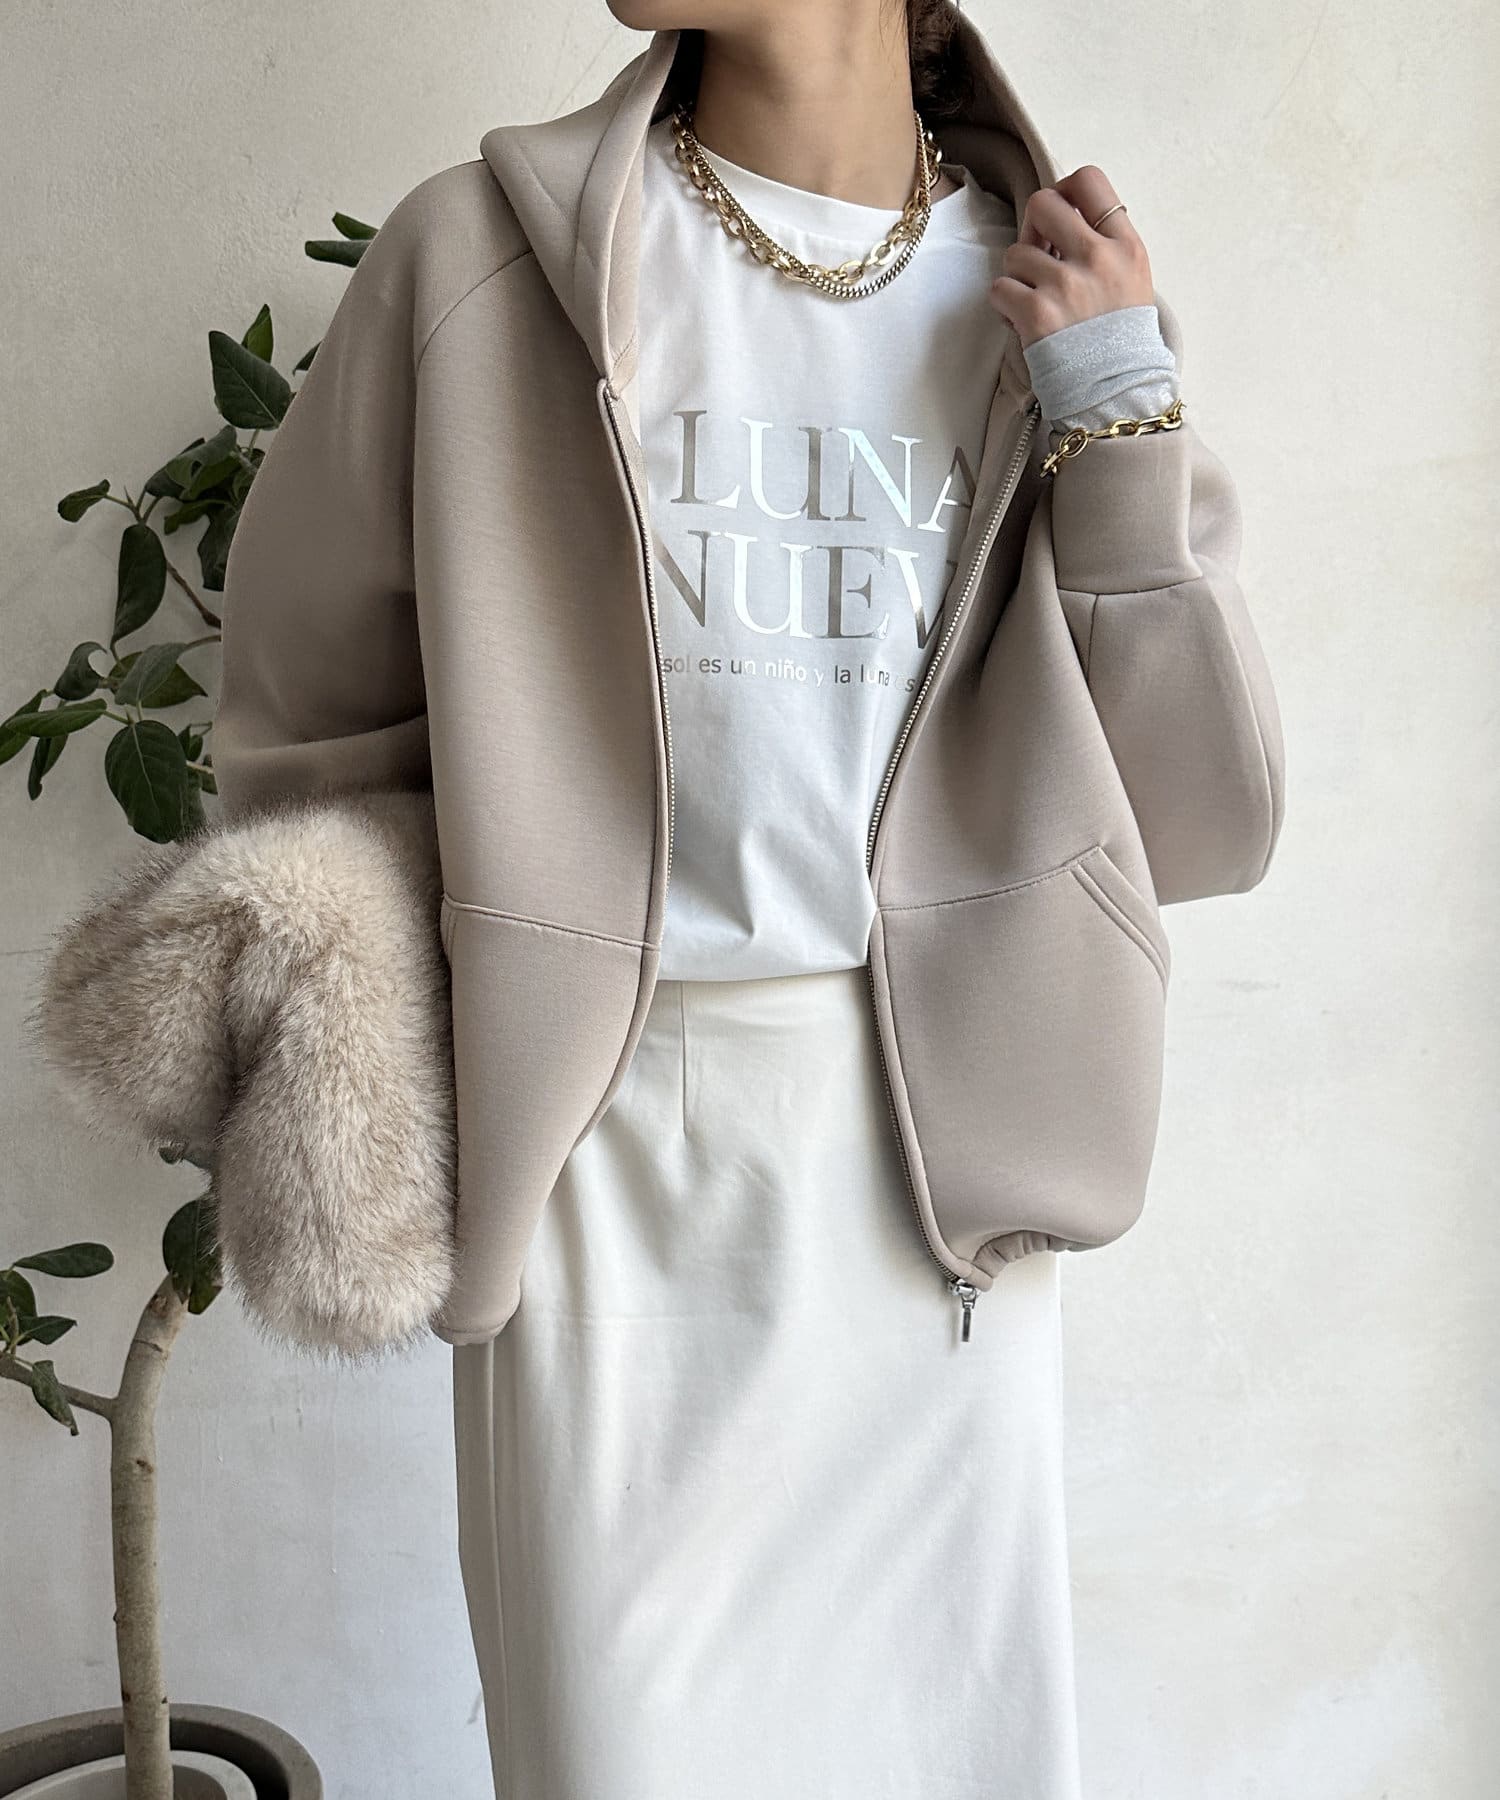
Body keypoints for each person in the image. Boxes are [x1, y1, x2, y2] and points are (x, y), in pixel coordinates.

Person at [199, 2, 1287, 1794]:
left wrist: (1116, 420)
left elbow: (1199, 823)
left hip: (942, 1188)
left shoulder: (1050, 298)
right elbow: (304, 733)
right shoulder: (475, 264)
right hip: (600, 1165)